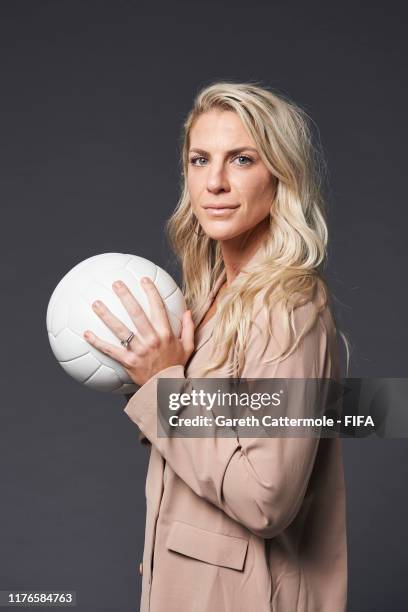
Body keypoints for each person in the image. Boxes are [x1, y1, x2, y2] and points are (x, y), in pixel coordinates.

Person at [83, 81, 349, 611]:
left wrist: (164, 387)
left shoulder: (289, 306)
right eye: (200, 160)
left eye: (242, 159)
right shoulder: (208, 301)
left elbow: (266, 497)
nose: (216, 182)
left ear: (281, 175)